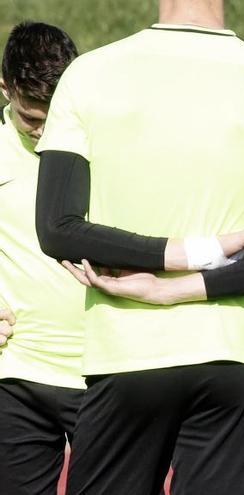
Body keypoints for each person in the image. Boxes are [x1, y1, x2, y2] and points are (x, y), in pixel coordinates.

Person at [33, 0, 244, 493]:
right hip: (233, 356)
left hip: (127, 353)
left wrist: (168, 273)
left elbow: (56, 229)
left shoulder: (88, 75)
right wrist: (192, 266)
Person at [0, 21, 81, 495]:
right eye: (32, 118)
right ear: (4, 87)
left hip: (107, 371)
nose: (46, 131)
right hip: (16, 374)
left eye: (56, 115)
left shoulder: (110, 144)